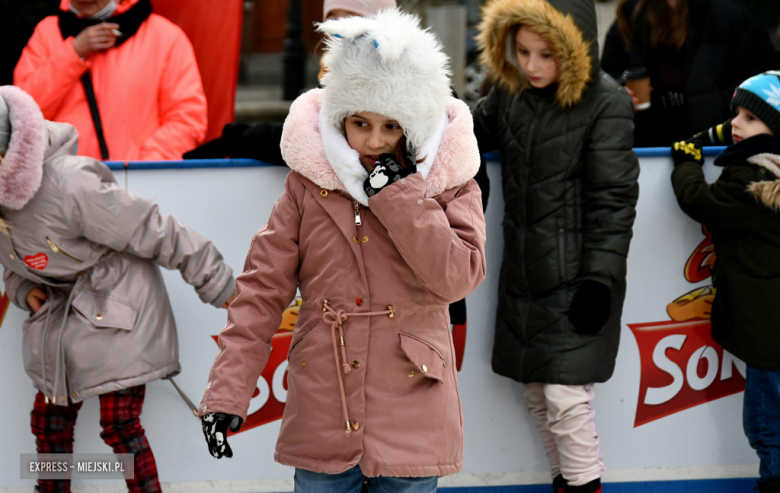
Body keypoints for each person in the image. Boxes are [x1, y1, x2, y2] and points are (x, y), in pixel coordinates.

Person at [198, 9, 486, 493]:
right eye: (360, 123)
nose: (374, 142)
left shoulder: (449, 182)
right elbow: (260, 293)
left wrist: (400, 198)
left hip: (412, 405)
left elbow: (457, 278)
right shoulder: (307, 187)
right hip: (324, 405)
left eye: (391, 126)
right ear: (340, 119)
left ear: (413, 124)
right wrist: (227, 391)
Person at [0, 85, 234, 493]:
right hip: (58, 322)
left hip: (120, 307)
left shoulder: (70, 185)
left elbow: (154, 228)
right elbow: (16, 262)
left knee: (119, 425)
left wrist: (218, 283)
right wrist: (23, 290)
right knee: (48, 425)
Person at [473, 0, 640, 491]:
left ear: (574, 47)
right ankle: (564, 482)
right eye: (522, 51)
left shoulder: (607, 102)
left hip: (576, 282)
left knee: (566, 400)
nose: (531, 66)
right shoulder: (510, 94)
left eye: (545, 54)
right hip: (525, 276)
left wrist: (598, 281)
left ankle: (584, 484)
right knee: (535, 396)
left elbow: (614, 200)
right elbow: (463, 133)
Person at [671, 71, 780, 493]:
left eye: (750, 117)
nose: (736, 124)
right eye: (734, 113)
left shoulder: (752, 183)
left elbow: (699, 201)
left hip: (766, 331)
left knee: (766, 419)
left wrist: (686, 163)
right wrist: (723, 130)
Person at [14, 0, 207, 161]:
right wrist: (73, 53)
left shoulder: (165, 36)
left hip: (135, 187)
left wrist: (143, 167)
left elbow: (186, 118)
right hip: (60, 188)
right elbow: (22, 114)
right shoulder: (47, 32)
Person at [601, 0, 780, 147]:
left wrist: (727, 106)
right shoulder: (629, 15)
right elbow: (606, 78)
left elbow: (762, 76)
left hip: (714, 142)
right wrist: (621, 93)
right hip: (647, 144)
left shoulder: (729, 14)